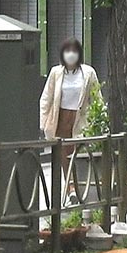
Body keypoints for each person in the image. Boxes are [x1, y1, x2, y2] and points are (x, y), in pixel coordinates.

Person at [40, 38, 102, 207]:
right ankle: (70, 189)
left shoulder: (88, 73)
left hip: (80, 119)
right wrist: (44, 122)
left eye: (74, 51)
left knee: (78, 155)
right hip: (60, 119)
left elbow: (97, 98)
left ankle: (79, 189)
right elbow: (46, 98)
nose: (71, 54)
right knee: (64, 157)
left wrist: (99, 119)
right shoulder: (56, 73)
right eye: (67, 50)